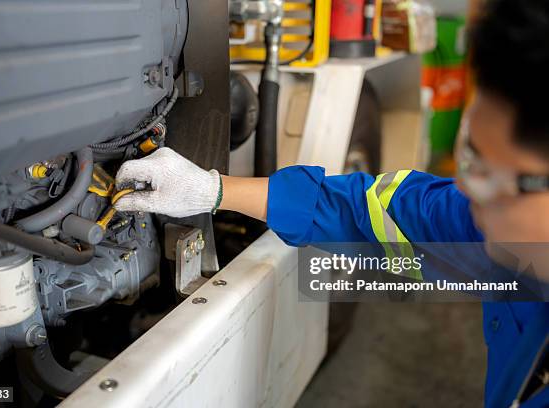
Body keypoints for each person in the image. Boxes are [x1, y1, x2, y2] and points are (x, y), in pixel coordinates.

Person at [114, 0, 548, 406]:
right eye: (471, 157)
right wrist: (214, 190)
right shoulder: (504, 230)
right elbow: (374, 213)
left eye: (492, 176)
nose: (469, 191)